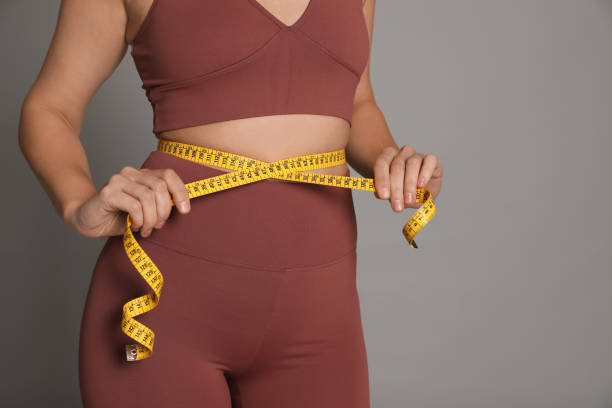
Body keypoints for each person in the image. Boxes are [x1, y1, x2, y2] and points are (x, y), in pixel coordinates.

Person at [18, 0, 443, 407]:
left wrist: (394, 162)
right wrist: (76, 203)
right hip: (164, 305)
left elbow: (356, 101)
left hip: (322, 314)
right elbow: (51, 108)